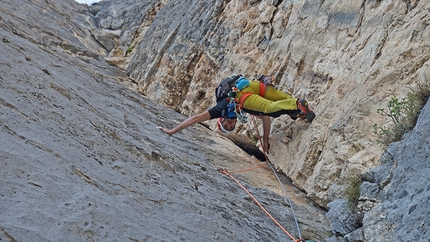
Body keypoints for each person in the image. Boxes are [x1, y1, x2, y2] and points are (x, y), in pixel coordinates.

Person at [158, 75, 315, 154]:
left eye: (226, 125)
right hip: (251, 84)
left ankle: (296, 105)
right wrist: (265, 141)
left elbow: (195, 118)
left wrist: (171, 131)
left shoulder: (219, 109)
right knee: (281, 98)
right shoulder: (240, 111)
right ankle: (298, 111)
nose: (230, 124)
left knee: (269, 108)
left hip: (244, 96)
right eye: (230, 127)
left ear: (221, 120)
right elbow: (265, 121)